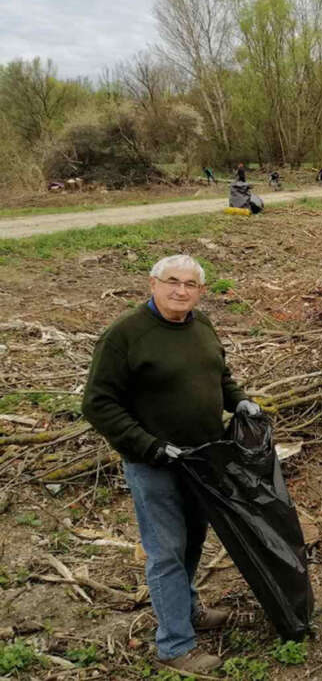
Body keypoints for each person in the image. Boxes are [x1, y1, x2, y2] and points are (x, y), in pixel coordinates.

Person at [82, 255, 261, 674]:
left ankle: (189, 610)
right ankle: (175, 645)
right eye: (172, 282)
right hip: (154, 465)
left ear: (200, 291)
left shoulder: (202, 327)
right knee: (165, 553)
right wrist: (149, 446)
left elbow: (220, 377)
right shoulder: (125, 335)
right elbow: (98, 403)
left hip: (201, 461)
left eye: (190, 285)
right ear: (153, 284)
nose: (180, 291)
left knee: (193, 544)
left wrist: (240, 401)